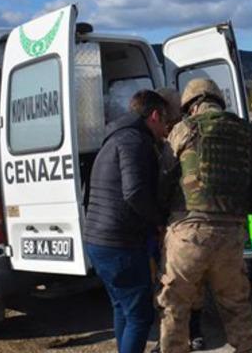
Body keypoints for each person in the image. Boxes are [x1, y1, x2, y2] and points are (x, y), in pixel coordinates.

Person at [158, 79, 252, 353]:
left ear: (191, 105)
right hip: (231, 234)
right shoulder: (246, 131)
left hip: (189, 233)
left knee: (175, 308)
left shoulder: (184, 129)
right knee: (237, 306)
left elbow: (164, 175)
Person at [84, 90, 169, 353]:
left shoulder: (114, 138)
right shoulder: (135, 141)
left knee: (122, 308)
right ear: (154, 115)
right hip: (119, 243)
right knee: (140, 316)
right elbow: (134, 192)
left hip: (98, 240)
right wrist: (159, 220)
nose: (167, 129)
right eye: (166, 121)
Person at [153, 88, 206, 352]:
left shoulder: (180, 133)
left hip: (179, 218)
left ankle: (188, 334)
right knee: (179, 283)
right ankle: (187, 334)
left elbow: (165, 179)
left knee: (175, 283)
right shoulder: (177, 133)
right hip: (182, 218)